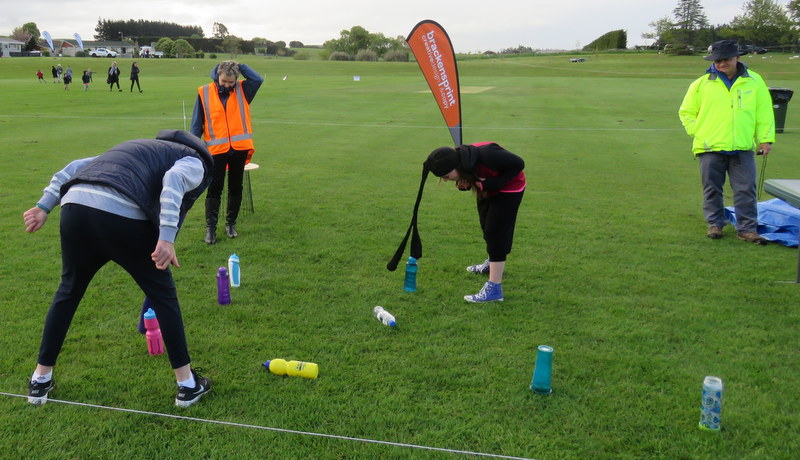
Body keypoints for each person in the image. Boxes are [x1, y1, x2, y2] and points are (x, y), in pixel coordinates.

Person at [23, 130, 215, 408]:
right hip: (121, 217)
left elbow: (77, 166)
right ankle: (187, 385)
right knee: (163, 296)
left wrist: (44, 206)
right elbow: (173, 180)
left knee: (68, 291)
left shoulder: (140, 147)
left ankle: (40, 380)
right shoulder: (194, 160)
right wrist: (166, 237)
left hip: (75, 208)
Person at [390, 143, 526, 303]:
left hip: (510, 189)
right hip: (487, 191)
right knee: (486, 227)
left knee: (495, 233)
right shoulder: (464, 162)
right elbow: (475, 177)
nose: (445, 180)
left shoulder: (487, 155)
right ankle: (492, 264)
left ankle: (495, 289)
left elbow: (519, 164)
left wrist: (488, 184)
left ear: (456, 167)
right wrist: (471, 183)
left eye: (447, 176)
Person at [679, 40, 775, 244]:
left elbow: (764, 112)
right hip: (709, 147)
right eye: (717, 60)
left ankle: (747, 229)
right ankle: (715, 224)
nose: (722, 63)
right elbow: (686, 112)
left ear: (737, 58)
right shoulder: (701, 84)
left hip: (742, 146)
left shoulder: (755, 81)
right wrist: (699, 132)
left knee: (746, 189)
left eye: (726, 59)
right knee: (712, 189)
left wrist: (766, 139)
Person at [190, 60, 263, 244]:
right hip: (216, 150)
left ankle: (231, 223)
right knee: (215, 188)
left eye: (231, 81)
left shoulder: (243, 89)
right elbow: (197, 124)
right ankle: (210, 229)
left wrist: (240, 65)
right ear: (217, 76)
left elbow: (258, 79)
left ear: (236, 78)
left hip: (239, 148)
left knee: (236, 187)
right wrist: (192, 146)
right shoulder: (204, 92)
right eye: (224, 81)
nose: (228, 85)